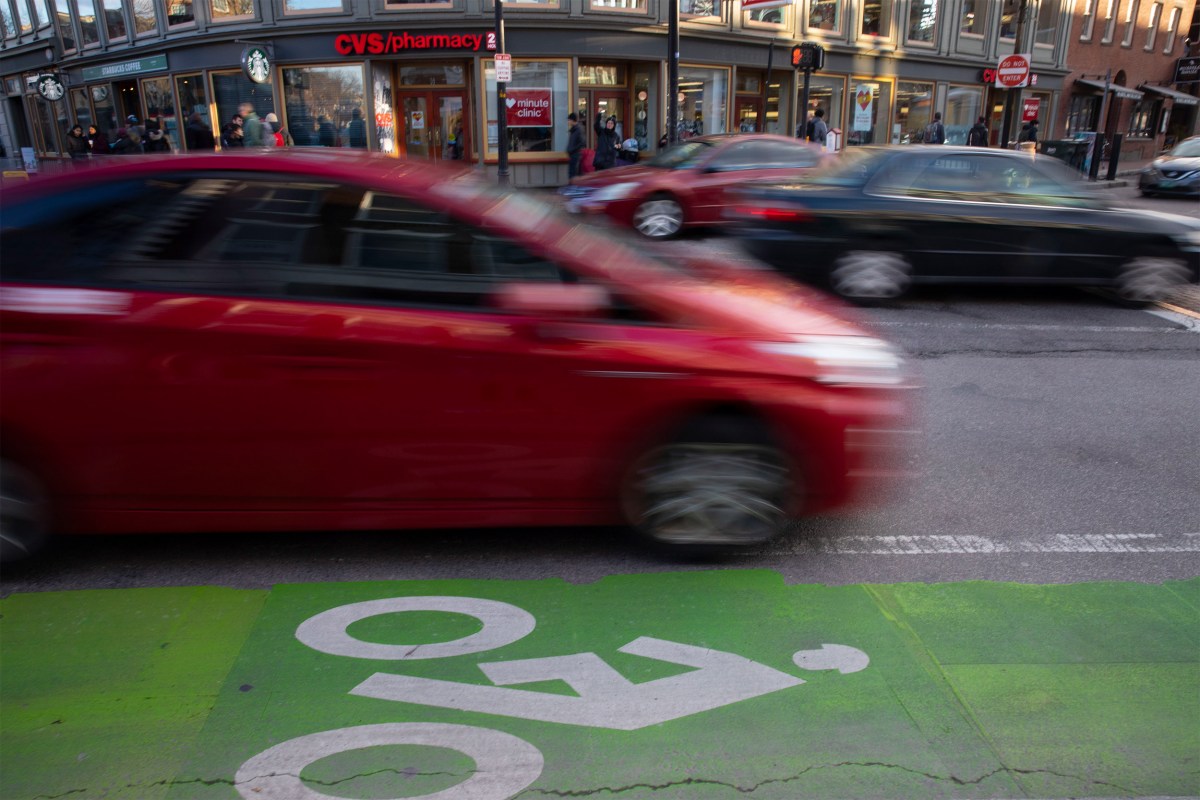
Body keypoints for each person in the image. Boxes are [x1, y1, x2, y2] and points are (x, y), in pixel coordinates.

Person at [566, 112, 585, 178]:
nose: (568, 122)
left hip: (575, 155)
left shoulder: (578, 130)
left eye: (569, 120)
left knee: (573, 174)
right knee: (571, 173)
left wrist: (573, 149)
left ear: (572, 120)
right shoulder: (573, 130)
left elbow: (582, 142)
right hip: (572, 155)